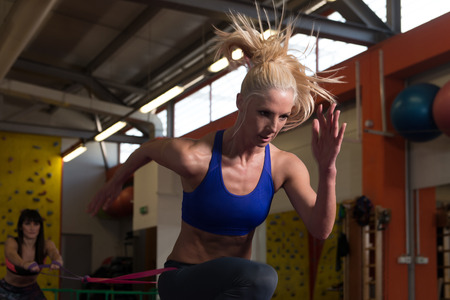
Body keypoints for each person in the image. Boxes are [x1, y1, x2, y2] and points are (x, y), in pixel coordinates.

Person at [88, 7, 346, 300]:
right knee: (263, 277)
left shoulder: (284, 166)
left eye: (283, 116)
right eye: (264, 113)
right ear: (240, 102)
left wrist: (328, 172)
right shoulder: (195, 157)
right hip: (183, 279)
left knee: (258, 280)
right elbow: (148, 148)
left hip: (234, 287)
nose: (273, 127)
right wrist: (116, 181)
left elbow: (321, 229)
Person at [0, 209, 63, 300]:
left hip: (30, 290)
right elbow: (10, 254)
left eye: (36, 224)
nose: (32, 228)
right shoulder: (12, 242)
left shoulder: (47, 244)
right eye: (28, 224)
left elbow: (54, 252)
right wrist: (24, 264)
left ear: (40, 227)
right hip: (6, 290)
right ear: (21, 227)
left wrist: (57, 260)